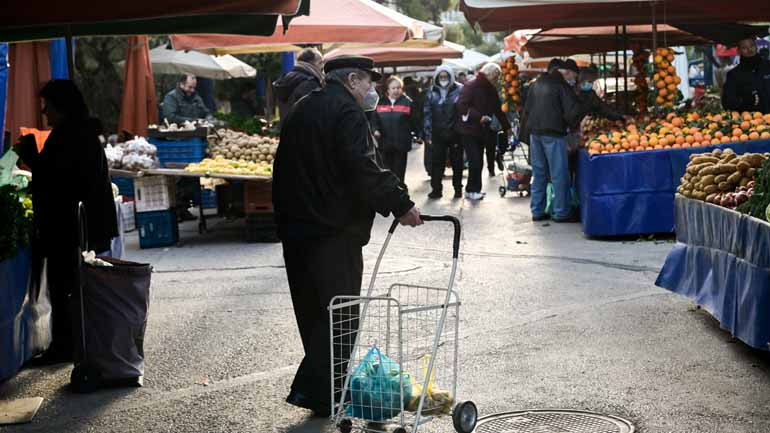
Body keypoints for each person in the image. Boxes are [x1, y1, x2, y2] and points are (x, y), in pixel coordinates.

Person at [273, 55, 422, 417]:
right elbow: (363, 167)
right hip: (333, 230)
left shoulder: (302, 107)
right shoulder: (347, 112)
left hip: (297, 228)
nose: (372, 89)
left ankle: (326, 391)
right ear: (352, 79)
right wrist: (401, 204)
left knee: (313, 312)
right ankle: (317, 391)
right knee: (340, 314)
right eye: (369, 81)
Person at [16, 80, 118, 365]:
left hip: (70, 226)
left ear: (62, 106)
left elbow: (60, 180)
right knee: (67, 286)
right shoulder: (79, 131)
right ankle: (69, 344)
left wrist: (32, 157)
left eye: (48, 106)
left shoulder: (72, 134)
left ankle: (65, 347)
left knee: (64, 287)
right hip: (75, 223)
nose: (44, 112)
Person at [522, 59, 590, 223]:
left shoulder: (536, 83)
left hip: (534, 133)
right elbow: (572, 113)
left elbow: (526, 110)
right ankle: (561, 212)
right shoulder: (561, 85)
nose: (574, 80)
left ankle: (537, 211)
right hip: (553, 133)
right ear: (567, 72)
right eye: (574, 76)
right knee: (559, 173)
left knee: (539, 173)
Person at [456, 63, 512, 201]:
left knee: (478, 161)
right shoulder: (471, 85)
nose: (497, 79)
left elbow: (497, 109)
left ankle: (473, 189)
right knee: (475, 160)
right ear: (490, 75)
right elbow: (461, 105)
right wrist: (478, 117)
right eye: (496, 76)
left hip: (481, 131)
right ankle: (472, 190)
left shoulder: (490, 89)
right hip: (469, 130)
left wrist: (507, 127)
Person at [424, 65, 464, 199]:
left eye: (446, 76)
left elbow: (464, 110)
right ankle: (436, 190)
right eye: (440, 76)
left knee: (457, 162)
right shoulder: (431, 91)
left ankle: (458, 189)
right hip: (437, 133)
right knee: (437, 163)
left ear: (451, 77)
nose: (443, 79)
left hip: (455, 132)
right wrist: (428, 133)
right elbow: (427, 113)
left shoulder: (460, 89)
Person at [371, 76, 418, 183]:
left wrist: (418, 135)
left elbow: (415, 121)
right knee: (387, 171)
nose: (396, 90)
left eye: (398, 88)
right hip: (385, 144)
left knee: (399, 172)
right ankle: (389, 191)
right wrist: (375, 130)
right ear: (388, 89)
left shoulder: (407, 103)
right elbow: (374, 120)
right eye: (393, 88)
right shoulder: (380, 103)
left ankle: (400, 190)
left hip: (401, 144)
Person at [273, 48, 325, 119]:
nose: (323, 66)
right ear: (310, 62)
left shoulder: (287, 78)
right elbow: (315, 113)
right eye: (320, 62)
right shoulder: (309, 83)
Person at [722, 38, 770, 114]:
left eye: (752, 46)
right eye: (744, 48)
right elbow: (727, 103)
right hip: (751, 120)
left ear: (756, 47)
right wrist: (743, 101)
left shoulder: (768, 66)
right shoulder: (733, 74)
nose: (749, 50)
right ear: (738, 51)